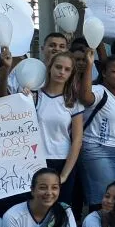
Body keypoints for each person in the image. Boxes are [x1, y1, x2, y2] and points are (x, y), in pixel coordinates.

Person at [78, 53, 115, 208]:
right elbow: (85, 97)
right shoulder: (99, 90)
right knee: (105, 201)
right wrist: (89, 65)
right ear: (104, 73)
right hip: (97, 150)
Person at [35, 52, 84, 206]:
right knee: (37, 207)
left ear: (71, 74)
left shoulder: (73, 102)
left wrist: (64, 175)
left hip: (63, 161)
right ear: (50, 68)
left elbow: (77, 141)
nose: (62, 72)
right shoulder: (35, 96)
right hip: (36, 160)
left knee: (61, 210)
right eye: (58, 67)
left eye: (67, 69)